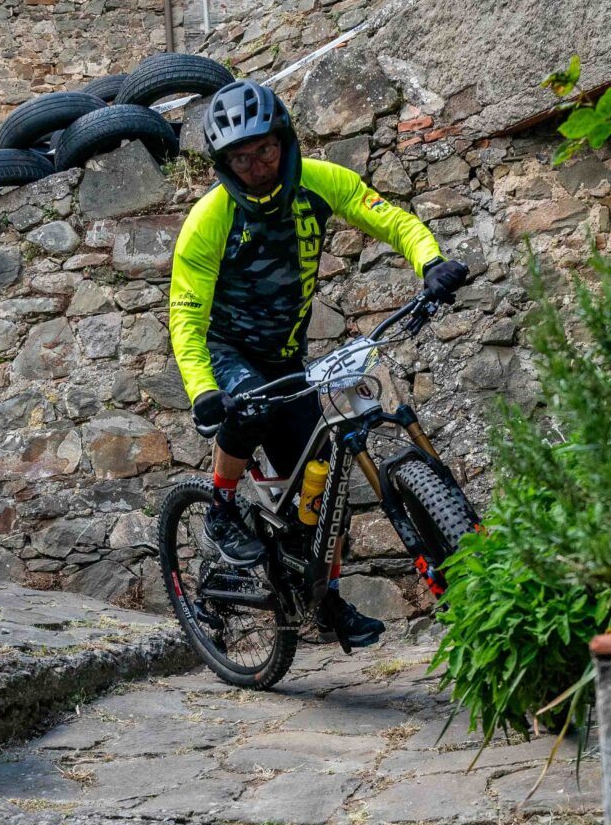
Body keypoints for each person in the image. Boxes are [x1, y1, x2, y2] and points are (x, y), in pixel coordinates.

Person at [168, 80, 471, 650]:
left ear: (284, 141)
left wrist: (430, 263)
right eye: (241, 158)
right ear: (224, 165)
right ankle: (221, 510)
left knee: (322, 488)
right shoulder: (209, 220)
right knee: (251, 409)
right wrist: (203, 390)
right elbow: (185, 317)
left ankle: (324, 600)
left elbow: (392, 220)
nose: (257, 166)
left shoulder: (321, 182)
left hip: (288, 354)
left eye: (265, 150)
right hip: (228, 351)